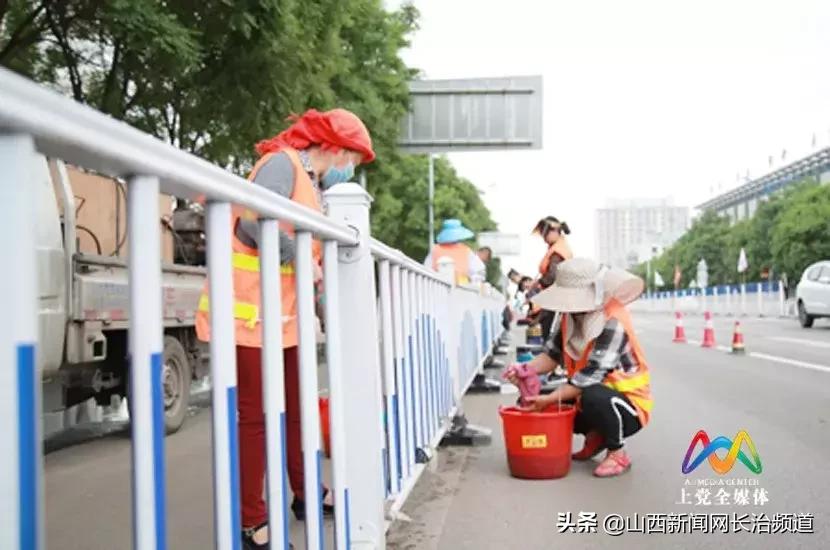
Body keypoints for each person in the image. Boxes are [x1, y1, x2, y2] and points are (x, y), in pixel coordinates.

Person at [195, 108, 375, 549]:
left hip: (283, 317)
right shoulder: (281, 163)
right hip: (249, 314)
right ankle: (251, 523)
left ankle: (306, 491)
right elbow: (254, 223)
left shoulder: (309, 181)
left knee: (300, 408)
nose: (349, 169)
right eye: (350, 158)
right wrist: (299, 260)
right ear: (332, 146)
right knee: (255, 417)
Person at [508, 258, 652, 478]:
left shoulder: (613, 321)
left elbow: (591, 376)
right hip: (586, 390)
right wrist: (523, 369)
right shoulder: (568, 317)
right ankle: (596, 435)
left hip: (628, 405)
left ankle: (617, 452)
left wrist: (549, 399)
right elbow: (551, 356)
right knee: (534, 400)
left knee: (590, 396)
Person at [528, 216, 573, 340]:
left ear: (554, 231)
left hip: (557, 299)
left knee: (550, 335)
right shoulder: (557, 248)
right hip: (554, 298)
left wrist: (538, 282)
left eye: (545, 233)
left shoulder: (558, 252)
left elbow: (553, 277)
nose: (543, 238)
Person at [424, 219, 486, 284]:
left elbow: (427, 269)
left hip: (437, 287)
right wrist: (471, 280)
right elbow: (479, 271)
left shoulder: (435, 250)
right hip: (461, 288)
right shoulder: (466, 251)